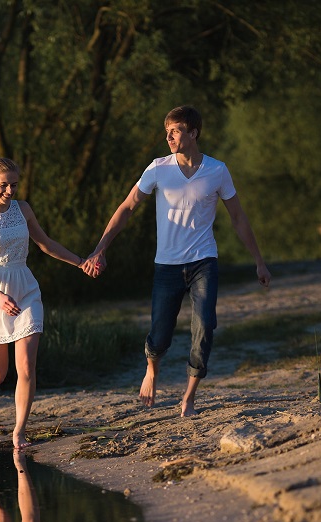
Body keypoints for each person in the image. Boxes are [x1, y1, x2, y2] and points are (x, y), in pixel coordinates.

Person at [82, 106, 271, 417]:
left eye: (176, 130)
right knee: (160, 334)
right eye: (167, 130)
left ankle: (190, 396)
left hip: (203, 261)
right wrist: (101, 248)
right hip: (166, 265)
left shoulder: (217, 170)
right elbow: (128, 207)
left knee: (205, 325)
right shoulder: (157, 169)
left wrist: (259, 262)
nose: (168, 136)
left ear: (193, 133)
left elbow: (238, 217)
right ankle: (152, 370)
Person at [0, 158, 91, 448]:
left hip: (26, 290)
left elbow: (46, 243)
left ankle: (19, 430)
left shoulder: (24, 209)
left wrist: (80, 262)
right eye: (4, 184)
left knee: (27, 368)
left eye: (14, 184)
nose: (9, 190)